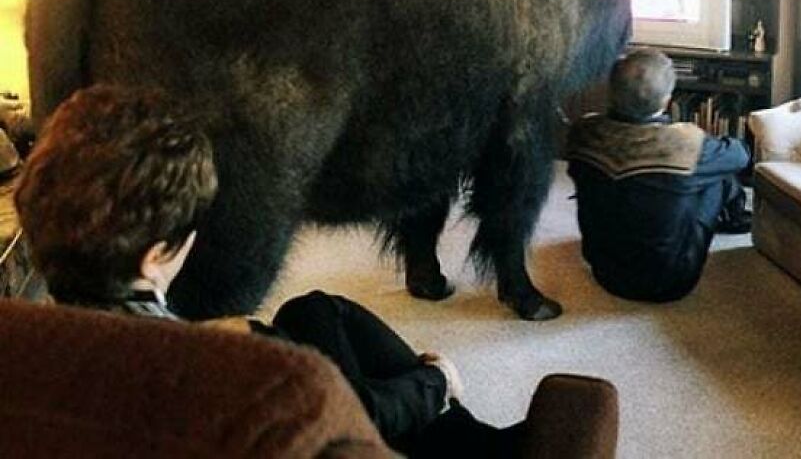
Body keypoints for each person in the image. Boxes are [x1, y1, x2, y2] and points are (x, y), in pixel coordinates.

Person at [13, 84, 522, 458]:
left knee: (315, 311)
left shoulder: (25, 349)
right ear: (154, 257)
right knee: (369, 379)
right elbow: (345, 426)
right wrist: (434, 381)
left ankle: (473, 435)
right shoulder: (256, 380)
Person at [566, 48, 752, 303]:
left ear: (611, 93)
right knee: (718, 176)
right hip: (671, 282)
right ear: (667, 101)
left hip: (605, 273)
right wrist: (710, 140)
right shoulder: (686, 144)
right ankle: (736, 218)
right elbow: (741, 155)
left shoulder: (582, 131)